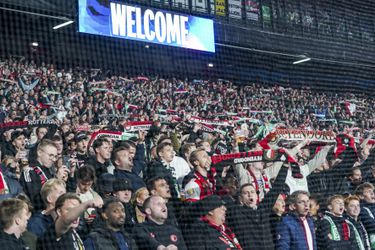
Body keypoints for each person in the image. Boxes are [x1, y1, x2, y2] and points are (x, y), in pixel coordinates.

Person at [227, 160, 288, 250]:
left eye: (252, 192)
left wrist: (285, 166)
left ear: (257, 196)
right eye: (246, 193)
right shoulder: (235, 212)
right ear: (240, 198)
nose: (250, 195)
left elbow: (277, 188)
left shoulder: (263, 209)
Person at [38, 193, 103, 249]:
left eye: (77, 210)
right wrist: (86, 204)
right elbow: (65, 220)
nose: (76, 215)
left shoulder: (75, 231)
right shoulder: (57, 230)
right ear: (59, 211)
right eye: (70, 210)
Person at [20, 139, 58, 210]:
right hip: (38, 216)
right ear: (39, 152)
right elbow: (35, 200)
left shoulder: (48, 170)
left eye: (55, 156)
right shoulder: (30, 171)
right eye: (51, 155)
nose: (54, 159)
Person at [355, 182, 375, 248]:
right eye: (369, 191)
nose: (372, 193)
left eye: (372, 191)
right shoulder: (361, 209)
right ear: (361, 196)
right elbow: (372, 225)